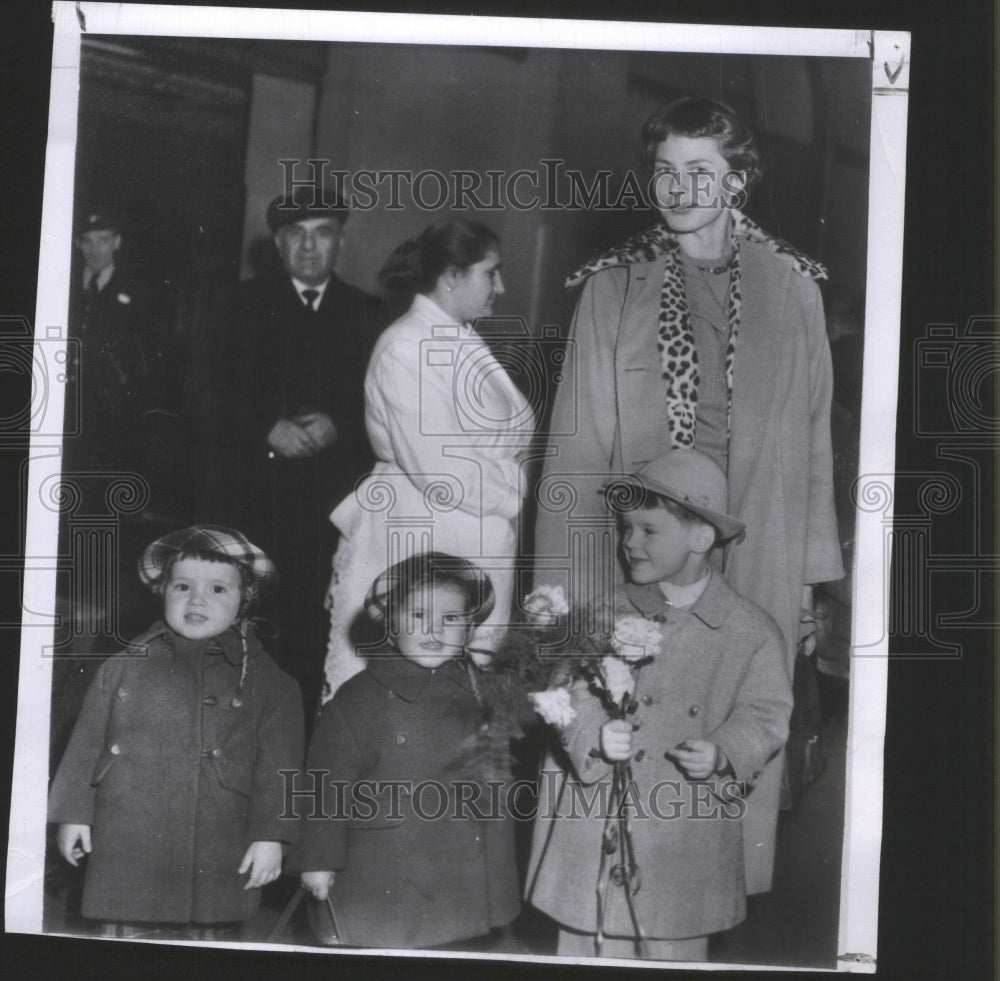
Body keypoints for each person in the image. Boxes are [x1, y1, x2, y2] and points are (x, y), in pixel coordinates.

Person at [533, 96, 843, 893]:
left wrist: (809, 579)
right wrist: (561, 595)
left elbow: (813, 446)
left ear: (739, 180)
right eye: (665, 172)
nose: (678, 190)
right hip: (635, 556)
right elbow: (573, 449)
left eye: (700, 172)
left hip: (752, 557)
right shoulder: (613, 287)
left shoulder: (795, 289)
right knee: (621, 749)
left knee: (720, 752)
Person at [526, 448, 792, 961]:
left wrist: (723, 750)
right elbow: (567, 690)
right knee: (587, 943)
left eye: (648, 530)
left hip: (684, 834)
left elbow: (766, 712)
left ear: (700, 537)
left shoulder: (749, 630)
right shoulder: (605, 612)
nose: (629, 543)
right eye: (626, 529)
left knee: (675, 945)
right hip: (597, 820)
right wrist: (592, 734)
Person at [48, 525, 305, 938]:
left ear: (245, 601)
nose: (197, 599)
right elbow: (85, 746)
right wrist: (73, 815)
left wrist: (272, 837)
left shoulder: (271, 684)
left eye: (219, 589)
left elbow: (280, 771)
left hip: (218, 842)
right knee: (122, 936)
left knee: (206, 942)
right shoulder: (121, 667)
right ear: (161, 591)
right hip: (128, 837)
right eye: (182, 586)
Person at [187, 188, 386, 713]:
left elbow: (389, 407)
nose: (309, 246)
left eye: (322, 233)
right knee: (241, 626)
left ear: (341, 241)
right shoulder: (235, 304)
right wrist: (264, 428)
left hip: (330, 512)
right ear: (278, 244)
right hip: (250, 499)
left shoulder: (369, 314)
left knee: (313, 634)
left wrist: (342, 425)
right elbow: (198, 395)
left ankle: (296, 750)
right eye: (296, 234)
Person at [324, 219, 534, 698]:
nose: (500, 286)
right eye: (491, 272)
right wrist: (515, 491)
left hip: (472, 537)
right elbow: (443, 470)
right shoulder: (406, 345)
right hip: (423, 533)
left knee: (460, 700)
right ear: (452, 276)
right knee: (408, 690)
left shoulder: (459, 338)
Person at [290, 552, 521, 949]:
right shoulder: (358, 699)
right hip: (384, 862)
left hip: (461, 864)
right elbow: (325, 785)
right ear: (391, 624)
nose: (434, 629)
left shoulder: (480, 688)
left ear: (468, 629)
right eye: (417, 616)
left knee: (453, 944)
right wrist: (318, 860)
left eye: (451, 618)